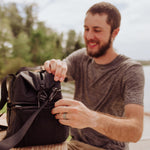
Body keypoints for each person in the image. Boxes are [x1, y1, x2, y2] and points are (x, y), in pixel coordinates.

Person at [44, 2, 145, 150]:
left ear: (115, 33)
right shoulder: (81, 57)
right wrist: (53, 66)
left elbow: (135, 131)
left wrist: (92, 119)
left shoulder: (131, 70)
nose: (89, 36)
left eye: (97, 30)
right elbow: (55, 70)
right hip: (74, 144)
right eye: (86, 29)